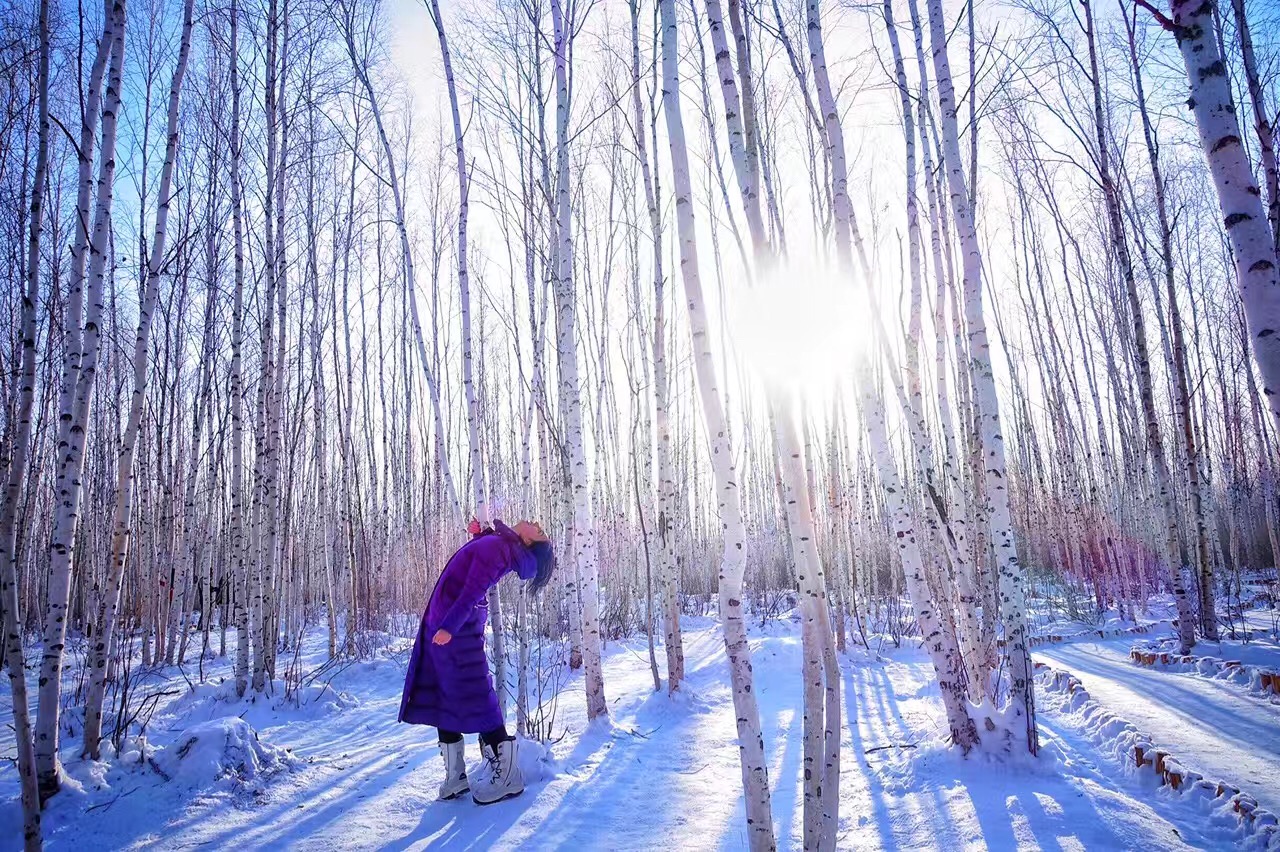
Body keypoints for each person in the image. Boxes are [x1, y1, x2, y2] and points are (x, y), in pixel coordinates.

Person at [399, 519, 554, 805]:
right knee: (441, 696)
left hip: (454, 628)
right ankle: (456, 776)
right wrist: (478, 535)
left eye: (540, 531)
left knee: (477, 695)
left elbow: (472, 587)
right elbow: (473, 567)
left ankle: (508, 776)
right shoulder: (500, 543)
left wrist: (449, 626)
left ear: (529, 542)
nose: (536, 522)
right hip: (444, 624)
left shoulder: (500, 549)